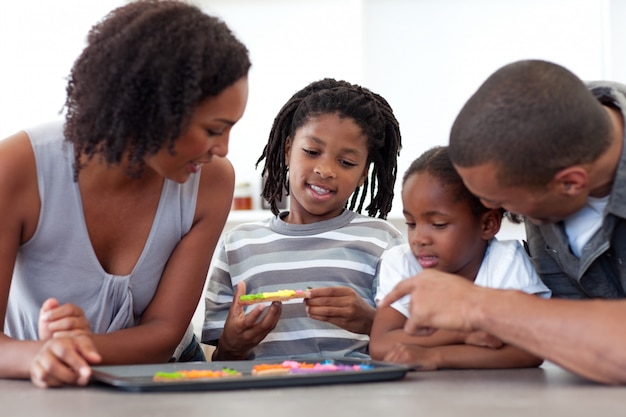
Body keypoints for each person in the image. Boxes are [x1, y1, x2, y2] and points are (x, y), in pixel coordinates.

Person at [0, 0, 250, 388]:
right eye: (215, 129)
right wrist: (41, 353)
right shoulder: (17, 168)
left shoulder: (211, 183)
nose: (224, 149)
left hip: (164, 372)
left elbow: (164, 332)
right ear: (152, 110)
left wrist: (79, 344)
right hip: (32, 380)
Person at [381, 59, 626, 384]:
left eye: (504, 202)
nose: (489, 212)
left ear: (570, 183)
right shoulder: (547, 139)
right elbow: (569, 340)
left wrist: (478, 307)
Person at [202, 78, 404, 360]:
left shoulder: (381, 240)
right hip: (262, 398)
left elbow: (409, 344)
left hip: (355, 396)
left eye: (346, 162)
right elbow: (221, 362)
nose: (325, 169)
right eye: (311, 152)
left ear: (362, 176)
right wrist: (232, 345)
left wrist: (371, 321)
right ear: (287, 150)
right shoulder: (238, 245)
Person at [371, 146, 550, 370]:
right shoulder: (401, 262)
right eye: (411, 224)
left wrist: (434, 357)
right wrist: (461, 333)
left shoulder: (506, 262)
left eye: (438, 224)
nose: (419, 239)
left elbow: (529, 351)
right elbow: (381, 344)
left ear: (488, 224)